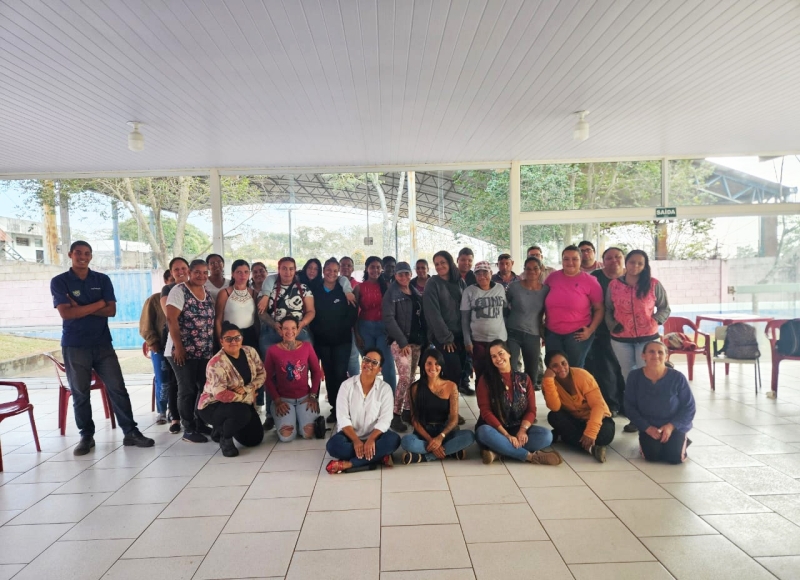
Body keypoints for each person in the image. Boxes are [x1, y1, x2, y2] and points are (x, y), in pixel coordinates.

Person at [51, 241, 154, 455]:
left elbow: (111, 311)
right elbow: (66, 313)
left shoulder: (102, 279)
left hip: (102, 344)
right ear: (70, 254)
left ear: (91, 256)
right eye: (78, 253)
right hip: (75, 345)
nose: (83, 257)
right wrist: (98, 304)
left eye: (87, 253)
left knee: (117, 388)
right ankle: (86, 436)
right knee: (80, 392)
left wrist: (82, 307)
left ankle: (130, 432)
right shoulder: (60, 281)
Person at [606, 249, 671, 433]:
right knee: (629, 378)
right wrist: (612, 325)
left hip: (647, 339)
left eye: (640, 263)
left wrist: (655, 320)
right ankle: (635, 418)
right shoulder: (614, 285)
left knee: (648, 376)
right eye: (632, 262)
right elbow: (608, 309)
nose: (635, 266)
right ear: (625, 263)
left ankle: (652, 416)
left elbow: (665, 308)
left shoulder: (652, 284)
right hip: (621, 339)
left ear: (645, 266)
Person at [475, 340, 561, 465]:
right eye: (493, 356)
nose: (498, 358)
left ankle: (498, 452)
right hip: (495, 430)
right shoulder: (486, 380)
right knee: (483, 432)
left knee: (546, 435)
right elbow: (485, 412)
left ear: (509, 354)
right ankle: (530, 457)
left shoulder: (524, 379)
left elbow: (531, 410)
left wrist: (522, 430)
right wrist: (506, 436)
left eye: (501, 353)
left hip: (517, 427)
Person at [325, 349, 402, 473]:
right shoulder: (346, 386)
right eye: (366, 359)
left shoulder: (385, 389)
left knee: (393, 440)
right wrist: (356, 441)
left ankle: (349, 464)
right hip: (350, 437)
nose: (369, 364)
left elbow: (385, 420)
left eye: (374, 362)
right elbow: (343, 418)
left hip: (376, 437)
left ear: (379, 369)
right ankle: (377, 457)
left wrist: (371, 439)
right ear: (362, 362)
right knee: (333, 446)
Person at [197, 322, 266, 457]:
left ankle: (222, 428)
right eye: (228, 339)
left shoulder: (250, 351)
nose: (233, 341)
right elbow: (221, 395)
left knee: (254, 439)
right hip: (213, 406)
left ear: (242, 339)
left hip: (239, 401)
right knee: (242, 413)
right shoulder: (216, 363)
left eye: (237, 338)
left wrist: (248, 388)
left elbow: (262, 373)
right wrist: (247, 397)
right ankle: (225, 438)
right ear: (221, 341)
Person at [165, 258, 215, 443]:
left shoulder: (206, 292)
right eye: (197, 272)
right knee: (186, 390)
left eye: (204, 273)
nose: (201, 276)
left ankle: (200, 422)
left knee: (203, 389)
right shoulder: (179, 291)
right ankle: (188, 428)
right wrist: (179, 347)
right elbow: (171, 320)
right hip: (182, 351)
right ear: (189, 273)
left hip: (204, 350)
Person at [400, 348, 475, 463]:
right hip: (424, 433)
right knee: (406, 441)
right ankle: (450, 452)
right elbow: (414, 420)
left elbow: (454, 419)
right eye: (429, 363)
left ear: (441, 366)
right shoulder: (415, 388)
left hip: (444, 432)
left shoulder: (451, 386)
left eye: (437, 364)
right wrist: (431, 440)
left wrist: (440, 438)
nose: (433, 368)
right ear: (423, 364)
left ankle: (423, 457)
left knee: (469, 436)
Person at [625, 341, 695, 463]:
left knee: (675, 458)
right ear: (643, 356)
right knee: (652, 456)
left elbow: (689, 407)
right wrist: (647, 428)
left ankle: (681, 440)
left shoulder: (677, 377)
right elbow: (629, 406)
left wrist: (671, 426)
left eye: (660, 352)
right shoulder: (634, 376)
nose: (656, 355)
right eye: (651, 352)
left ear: (666, 356)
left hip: (674, 426)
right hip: (649, 426)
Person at [542, 351, 615, 463]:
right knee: (553, 416)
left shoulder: (582, 375)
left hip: (598, 418)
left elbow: (598, 406)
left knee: (605, 436)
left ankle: (566, 436)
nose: (561, 368)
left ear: (568, 363)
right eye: (555, 366)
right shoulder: (548, 382)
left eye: (563, 363)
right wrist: (548, 381)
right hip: (575, 420)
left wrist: (591, 432)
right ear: (549, 369)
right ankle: (592, 448)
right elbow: (555, 407)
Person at [311, 258, 357, 424]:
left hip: (342, 341)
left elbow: (352, 314)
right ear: (323, 271)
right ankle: (334, 408)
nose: (331, 273)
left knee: (340, 374)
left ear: (338, 273)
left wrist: (339, 329)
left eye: (335, 271)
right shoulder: (315, 289)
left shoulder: (344, 289)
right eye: (328, 270)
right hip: (322, 341)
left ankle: (344, 408)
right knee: (329, 375)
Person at [543, 245, 604, 368]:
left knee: (574, 370)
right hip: (552, 333)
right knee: (554, 369)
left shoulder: (590, 281)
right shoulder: (552, 277)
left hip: (577, 335)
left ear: (581, 260)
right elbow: (541, 301)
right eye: (566, 259)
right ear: (562, 260)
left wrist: (590, 330)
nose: (570, 262)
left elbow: (599, 309)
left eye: (574, 259)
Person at [383, 261, 426, 432]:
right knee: (404, 378)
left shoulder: (413, 290)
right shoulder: (391, 293)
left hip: (416, 341)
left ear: (411, 274)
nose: (404, 277)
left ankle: (408, 411)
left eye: (406, 273)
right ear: (395, 276)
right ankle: (395, 415)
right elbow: (388, 319)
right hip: (401, 342)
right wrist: (402, 342)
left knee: (411, 377)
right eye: (400, 274)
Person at [264, 317, 322, 442]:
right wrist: (277, 400)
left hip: (304, 398)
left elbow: (317, 372)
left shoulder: (307, 347)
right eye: (285, 328)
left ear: (297, 330)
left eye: (293, 328)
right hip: (284, 400)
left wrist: (312, 396)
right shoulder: (272, 350)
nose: (289, 331)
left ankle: (297, 417)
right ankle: (290, 418)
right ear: (280, 330)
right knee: (286, 436)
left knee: (308, 434)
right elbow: (267, 378)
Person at [423, 251, 471, 396]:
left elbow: (465, 309)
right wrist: (446, 338)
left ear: (450, 263)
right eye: (436, 264)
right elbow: (433, 314)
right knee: (452, 371)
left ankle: (452, 408)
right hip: (443, 338)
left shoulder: (460, 282)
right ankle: (447, 410)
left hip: (460, 335)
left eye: (443, 262)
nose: (439, 266)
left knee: (459, 374)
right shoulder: (432, 283)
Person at [584, 247, 626, 415]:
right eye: (609, 258)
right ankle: (611, 404)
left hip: (627, 333)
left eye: (618, 257)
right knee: (605, 369)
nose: (614, 260)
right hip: (601, 331)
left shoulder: (630, 277)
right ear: (603, 261)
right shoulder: (594, 277)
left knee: (624, 368)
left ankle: (627, 404)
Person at [354, 256, 397, 394]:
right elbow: (353, 315)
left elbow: (393, 311)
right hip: (364, 329)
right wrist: (357, 335)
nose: (375, 270)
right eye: (372, 267)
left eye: (378, 267)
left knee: (388, 366)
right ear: (367, 268)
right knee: (369, 366)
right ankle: (368, 397)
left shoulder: (388, 286)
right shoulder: (359, 288)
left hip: (384, 329)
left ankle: (391, 402)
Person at [256, 257, 315, 356]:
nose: (288, 272)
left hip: (298, 330)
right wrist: (273, 324)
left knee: (305, 360)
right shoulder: (268, 288)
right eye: (284, 268)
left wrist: (302, 323)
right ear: (278, 270)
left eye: (291, 269)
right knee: (270, 365)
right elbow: (261, 312)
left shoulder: (304, 288)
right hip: (272, 330)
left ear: (295, 270)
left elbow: (311, 311)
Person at [461, 261, 507, 386]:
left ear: (491, 273)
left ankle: (498, 403)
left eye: (485, 273)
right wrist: (467, 340)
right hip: (478, 340)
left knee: (499, 372)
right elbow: (464, 318)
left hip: (499, 339)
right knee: (481, 373)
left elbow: (506, 310)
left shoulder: (500, 288)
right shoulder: (469, 291)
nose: (482, 276)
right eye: (478, 274)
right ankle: (483, 403)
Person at [506, 257, 549, 388]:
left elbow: (548, 312)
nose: (531, 272)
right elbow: (505, 307)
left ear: (541, 270)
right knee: (510, 369)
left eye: (535, 268)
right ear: (524, 270)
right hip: (512, 332)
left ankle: (528, 403)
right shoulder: (514, 287)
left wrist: (545, 333)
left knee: (532, 372)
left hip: (533, 334)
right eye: (528, 269)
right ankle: (512, 399)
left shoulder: (545, 290)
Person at [160, 257, 189, 433]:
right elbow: (170, 315)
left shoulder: (197, 287)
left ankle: (193, 418)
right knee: (176, 381)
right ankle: (176, 419)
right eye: (176, 269)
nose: (180, 272)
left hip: (195, 341)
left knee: (192, 383)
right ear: (171, 272)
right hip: (174, 338)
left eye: (183, 268)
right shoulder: (168, 289)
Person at [139, 268, 172, 424]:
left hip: (180, 349)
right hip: (160, 347)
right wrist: (153, 342)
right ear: (165, 281)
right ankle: (161, 411)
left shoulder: (187, 297)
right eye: (171, 279)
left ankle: (175, 411)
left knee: (178, 382)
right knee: (163, 380)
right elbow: (145, 325)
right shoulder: (154, 300)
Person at [215, 260, 259, 352]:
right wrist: (221, 343)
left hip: (250, 335)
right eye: (239, 272)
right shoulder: (224, 293)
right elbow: (218, 320)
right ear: (232, 274)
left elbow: (256, 319)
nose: (243, 275)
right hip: (230, 336)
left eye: (246, 272)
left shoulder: (254, 293)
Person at [340, 255, 361, 378]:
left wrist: (357, 332)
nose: (346, 268)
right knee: (339, 358)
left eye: (348, 265)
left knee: (353, 358)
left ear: (353, 268)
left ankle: (355, 386)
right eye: (343, 265)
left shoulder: (357, 285)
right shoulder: (334, 282)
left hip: (352, 327)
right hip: (336, 327)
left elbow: (355, 310)